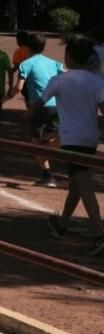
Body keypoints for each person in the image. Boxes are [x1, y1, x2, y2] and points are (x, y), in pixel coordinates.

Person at [33, 34, 104, 256]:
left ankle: (99, 233)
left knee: (83, 183)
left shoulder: (59, 79)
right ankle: (62, 224)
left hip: (72, 140)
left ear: (69, 56)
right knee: (77, 181)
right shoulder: (97, 81)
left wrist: (28, 116)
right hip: (91, 139)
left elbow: (39, 103)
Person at [9, 32, 64, 187]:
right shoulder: (53, 63)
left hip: (39, 107)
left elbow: (18, 88)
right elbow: (66, 73)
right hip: (56, 106)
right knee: (51, 139)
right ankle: (48, 164)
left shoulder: (25, 64)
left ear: (27, 46)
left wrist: (6, 97)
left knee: (37, 144)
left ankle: (48, 176)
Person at [10, 31, 33, 105]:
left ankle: (30, 112)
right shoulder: (32, 50)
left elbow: (17, 65)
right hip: (33, 75)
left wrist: (11, 71)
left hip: (24, 78)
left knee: (27, 96)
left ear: (19, 40)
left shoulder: (19, 51)